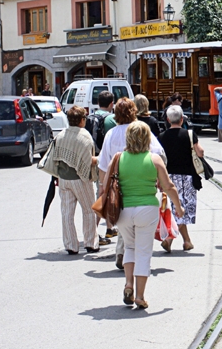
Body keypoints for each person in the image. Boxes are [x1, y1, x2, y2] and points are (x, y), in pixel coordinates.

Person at [118, 121, 184, 310]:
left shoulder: (118, 158)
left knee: (130, 247)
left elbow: (108, 185)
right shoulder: (154, 159)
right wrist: (178, 207)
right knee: (144, 252)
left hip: (123, 210)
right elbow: (168, 186)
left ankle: (128, 284)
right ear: (147, 138)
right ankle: (139, 295)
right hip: (147, 209)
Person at [98, 98, 167, 270]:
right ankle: (129, 255)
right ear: (134, 112)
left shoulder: (111, 134)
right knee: (137, 219)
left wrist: (102, 187)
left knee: (123, 215)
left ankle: (124, 252)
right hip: (140, 178)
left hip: (116, 182)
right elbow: (159, 153)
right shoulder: (142, 130)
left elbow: (103, 163)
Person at [52, 106, 99, 255]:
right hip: (80, 178)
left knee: (67, 213)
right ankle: (91, 243)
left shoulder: (61, 135)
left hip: (64, 179)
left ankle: (71, 245)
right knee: (88, 211)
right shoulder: (84, 136)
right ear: (81, 120)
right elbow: (88, 160)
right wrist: (99, 160)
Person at [157, 105, 203, 252]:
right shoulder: (189, 134)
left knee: (175, 207)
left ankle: (182, 240)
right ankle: (173, 239)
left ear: (168, 119)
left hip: (169, 177)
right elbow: (200, 152)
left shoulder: (162, 137)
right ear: (182, 119)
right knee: (182, 209)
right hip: (187, 177)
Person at [87, 90, 117, 244]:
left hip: (93, 159)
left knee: (105, 194)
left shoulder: (90, 117)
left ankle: (110, 228)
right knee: (104, 195)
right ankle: (93, 233)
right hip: (107, 162)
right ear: (111, 104)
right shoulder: (111, 119)